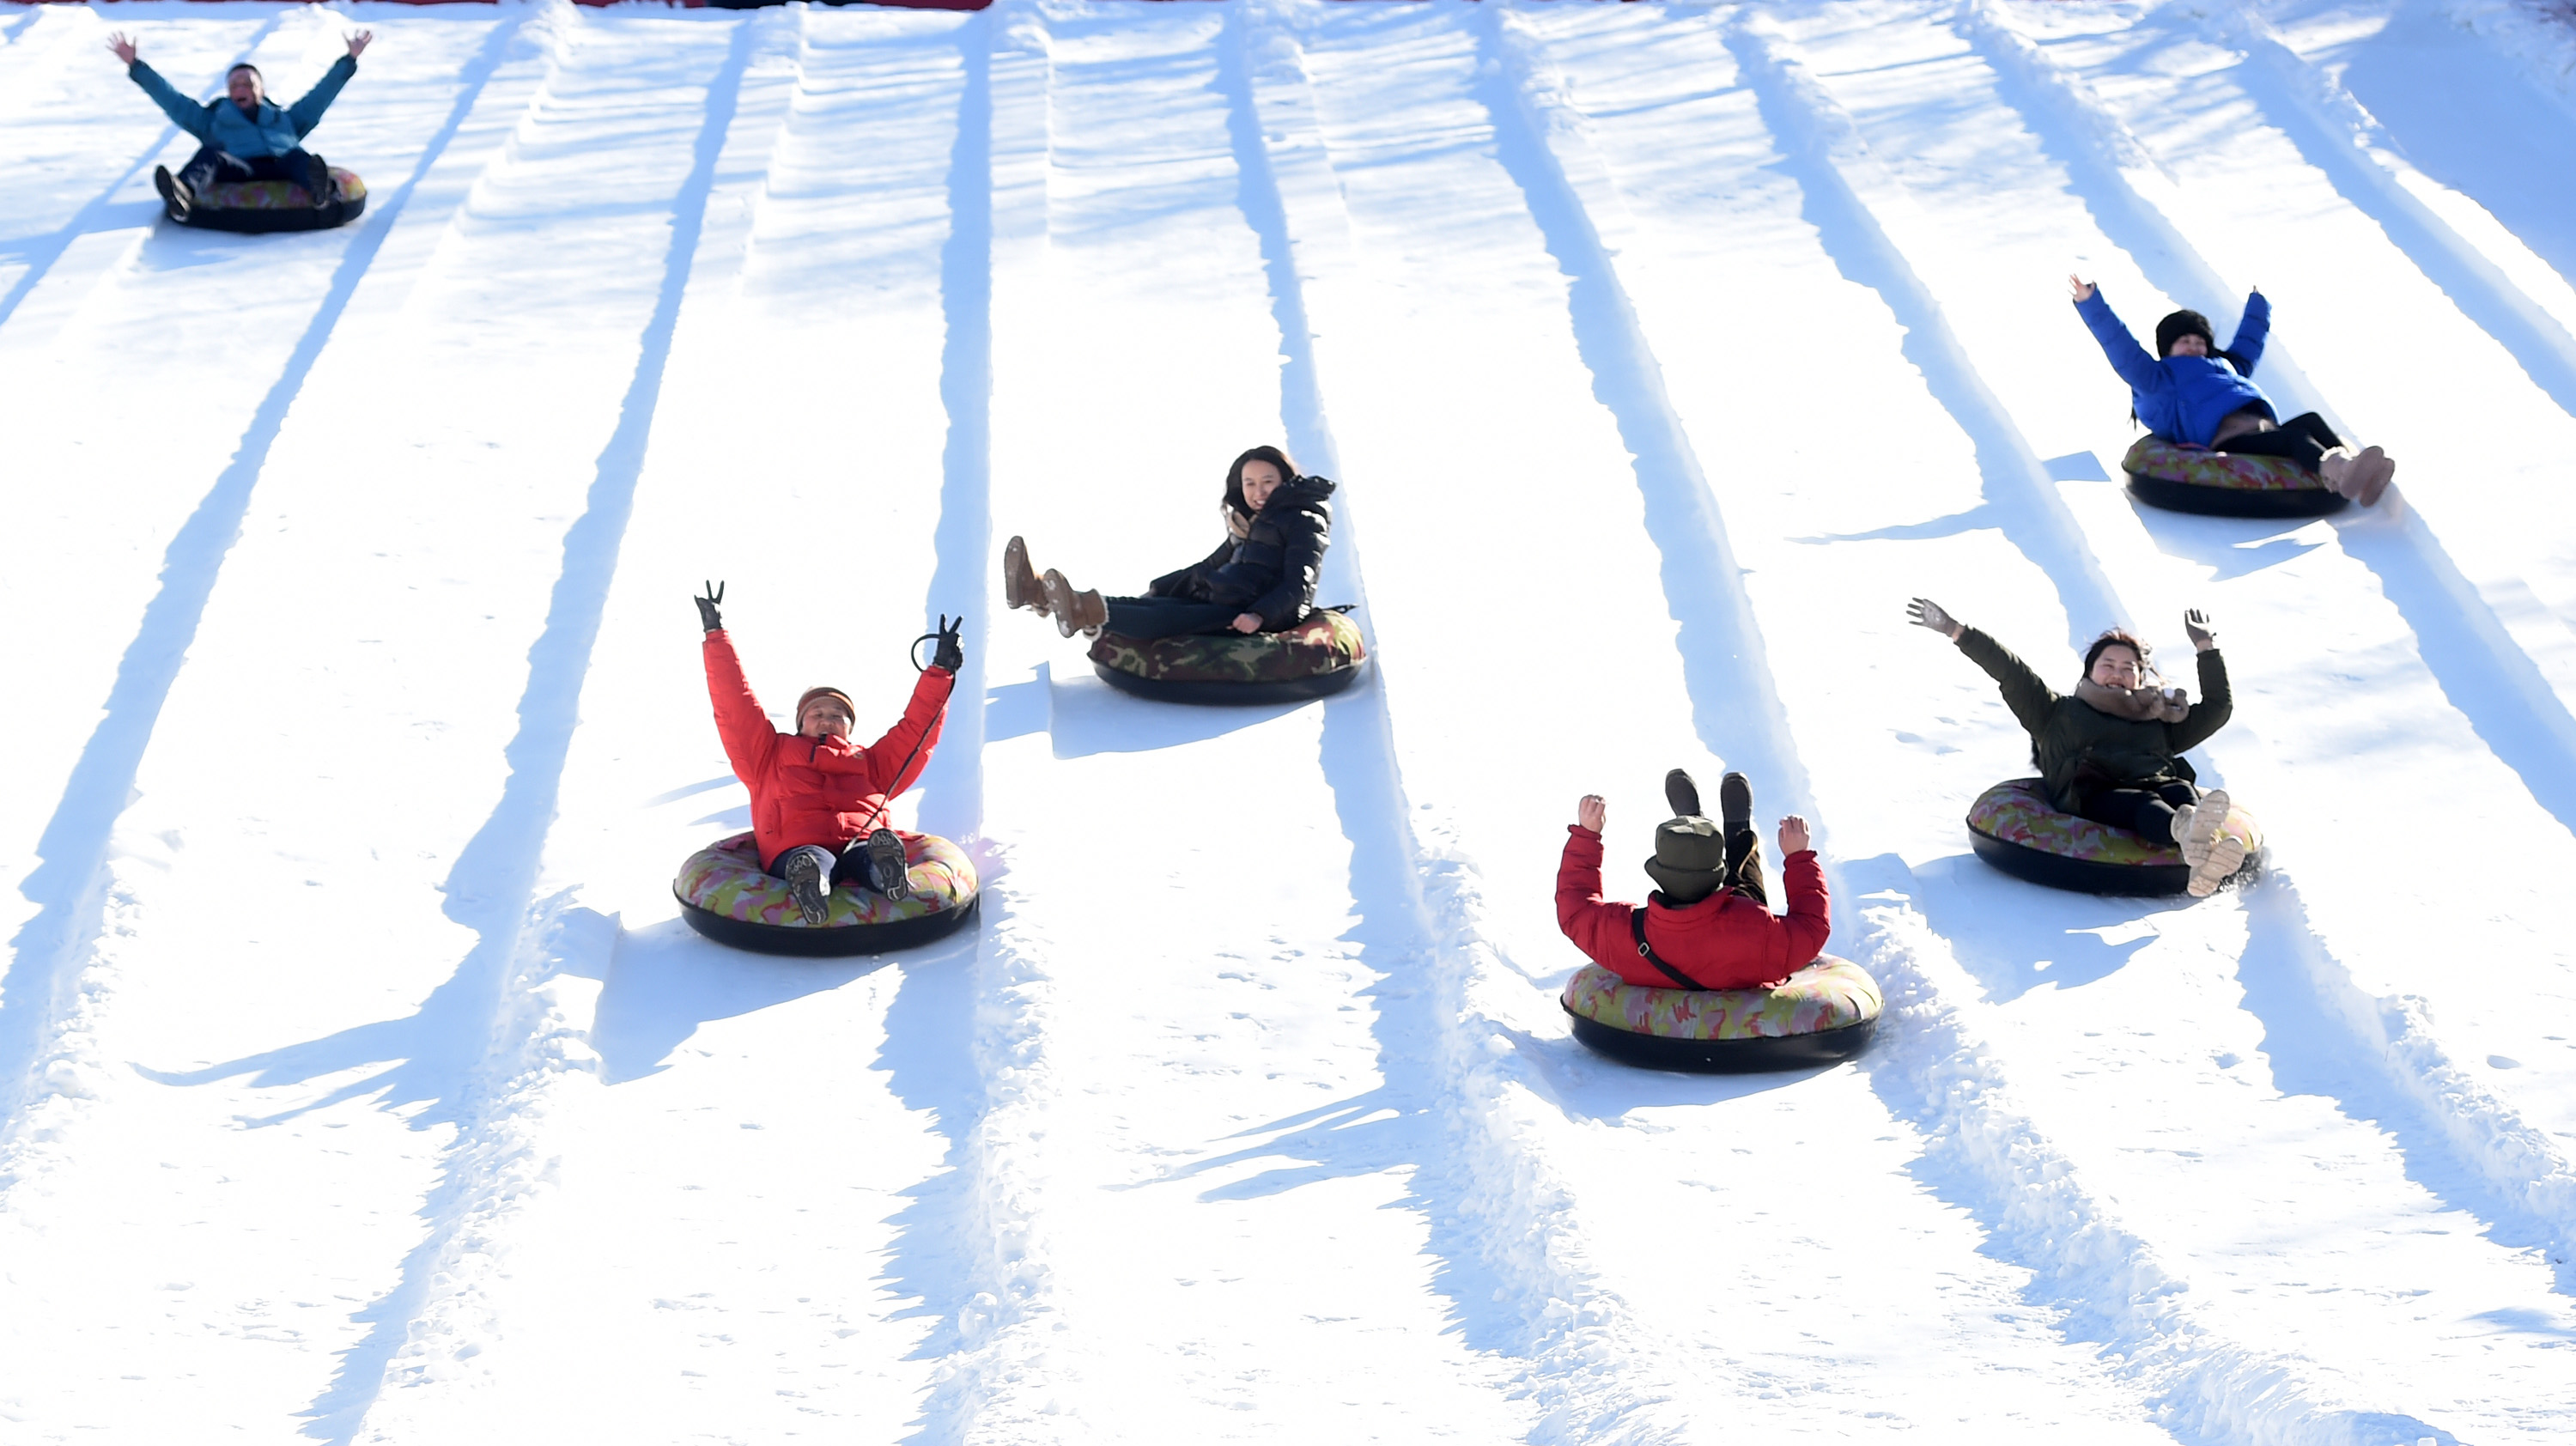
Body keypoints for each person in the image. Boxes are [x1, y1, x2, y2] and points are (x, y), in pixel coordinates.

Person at [1909, 597, 2246, 896]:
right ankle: (2186, 832)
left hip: (2160, 785)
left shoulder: (2159, 719)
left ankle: (2203, 861)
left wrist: (2206, 646)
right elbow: (2011, 672)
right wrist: (1956, 630)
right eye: (2108, 666)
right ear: (2090, 672)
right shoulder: (2056, 713)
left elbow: (2218, 708)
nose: (2118, 673)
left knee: (2180, 792)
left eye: (2128, 668)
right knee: (2146, 803)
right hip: (2094, 794)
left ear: (2141, 678)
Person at [696, 583, 963, 926]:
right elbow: (735, 704)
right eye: (817, 712)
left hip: (861, 840)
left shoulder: (873, 763)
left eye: (838, 714)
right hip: (796, 845)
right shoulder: (768, 755)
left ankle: (886, 872)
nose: (828, 718)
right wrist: (715, 634)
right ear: (800, 721)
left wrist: (941, 671)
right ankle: (811, 884)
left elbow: (918, 731)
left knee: (867, 852)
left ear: (850, 726)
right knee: (812, 858)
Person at [2069, 275, 2393, 507]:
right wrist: (2090, 302)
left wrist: (2259, 302)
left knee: (2310, 420)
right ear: (2167, 349)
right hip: (2227, 439)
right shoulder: (2157, 377)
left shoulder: (2225, 367)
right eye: (2185, 341)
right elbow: (2120, 346)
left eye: (2200, 341)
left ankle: (2354, 473)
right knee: (2295, 440)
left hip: (2259, 427)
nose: (2194, 346)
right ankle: (2340, 471)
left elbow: (2249, 343)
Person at [1001, 446, 1334, 641]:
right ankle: (1039, 593)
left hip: (1255, 616)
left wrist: (1260, 615)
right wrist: (1161, 586)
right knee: (1153, 602)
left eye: (1267, 482)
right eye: (1250, 483)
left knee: (1166, 616)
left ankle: (1077, 609)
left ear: (1285, 481)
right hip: (1225, 599)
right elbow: (1209, 566)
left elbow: (1298, 585)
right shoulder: (1249, 525)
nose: (1258, 491)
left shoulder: (1303, 519)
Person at [1555, 769, 1831, 993]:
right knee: (1746, 887)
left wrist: (1586, 836)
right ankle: (1736, 834)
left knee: (1744, 895)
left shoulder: (1624, 932)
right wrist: (1799, 858)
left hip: (1660, 940)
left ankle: (1690, 827)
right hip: (1740, 931)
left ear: (1660, 872)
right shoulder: (1756, 928)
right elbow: (1812, 927)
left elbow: (1575, 911)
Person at [108, 29, 371, 221]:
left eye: (248, 83)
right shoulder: (212, 119)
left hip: (283, 164)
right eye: (235, 85)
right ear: (228, 92)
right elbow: (172, 101)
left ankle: (320, 190)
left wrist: (349, 60)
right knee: (210, 156)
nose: (240, 88)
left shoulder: (285, 119)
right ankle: (182, 193)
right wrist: (135, 65)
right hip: (239, 167)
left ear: (260, 89)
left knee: (300, 159)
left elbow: (320, 96)